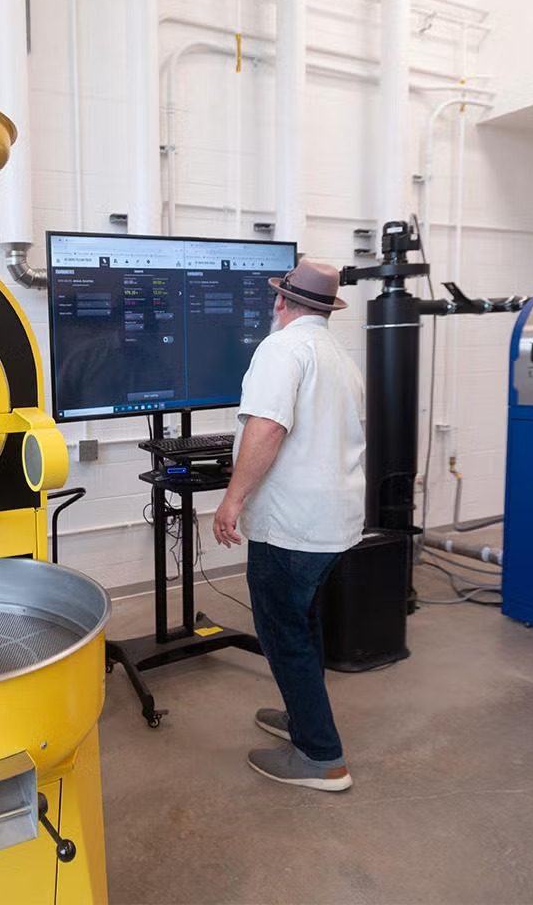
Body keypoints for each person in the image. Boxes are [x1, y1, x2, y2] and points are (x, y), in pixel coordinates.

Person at [212, 257, 365, 791]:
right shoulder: (338, 356)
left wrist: (232, 501)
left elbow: (268, 426)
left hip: (292, 525)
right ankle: (305, 722)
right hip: (334, 524)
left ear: (281, 301)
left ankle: (322, 757)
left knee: (283, 635)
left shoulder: (281, 348)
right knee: (303, 626)